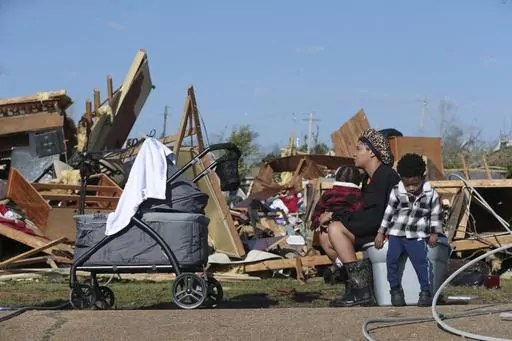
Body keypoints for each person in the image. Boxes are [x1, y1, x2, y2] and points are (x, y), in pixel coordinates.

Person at [318, 128, 400, 307]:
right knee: (325, 236)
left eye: (358, 149)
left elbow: (373, 218)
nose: (354, 154)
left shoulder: (385, 176)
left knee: (335, 229)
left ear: (371, 152)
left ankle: (361, 291)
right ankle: (353, 286)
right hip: (373, 228)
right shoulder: (369, 179)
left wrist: (335, 215)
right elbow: (365, 215)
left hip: (386, 232)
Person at [374, 153, 443, 307]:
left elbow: (436, 213)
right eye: (407, 185)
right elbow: (388, 213)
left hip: (417, 235)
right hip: (396, 234)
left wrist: (434, 233)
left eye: (415, 184)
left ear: (422, 176)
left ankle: (425, 292)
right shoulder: (397, 191)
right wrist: (381, 232)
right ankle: (395, 290)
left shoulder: (430, 193)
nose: (411, 188)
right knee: (391, 262)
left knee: (421, 263)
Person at [310, 166, 363, 284]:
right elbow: (317, 213)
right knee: (324, 235)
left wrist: (319, 221)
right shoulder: (358, 195)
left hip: (348, 231)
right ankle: (343, 267)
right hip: (338, 230)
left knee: (325, 235)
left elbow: (359, 216)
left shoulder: (331, 194)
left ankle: (340, 267)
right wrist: (319, 221)